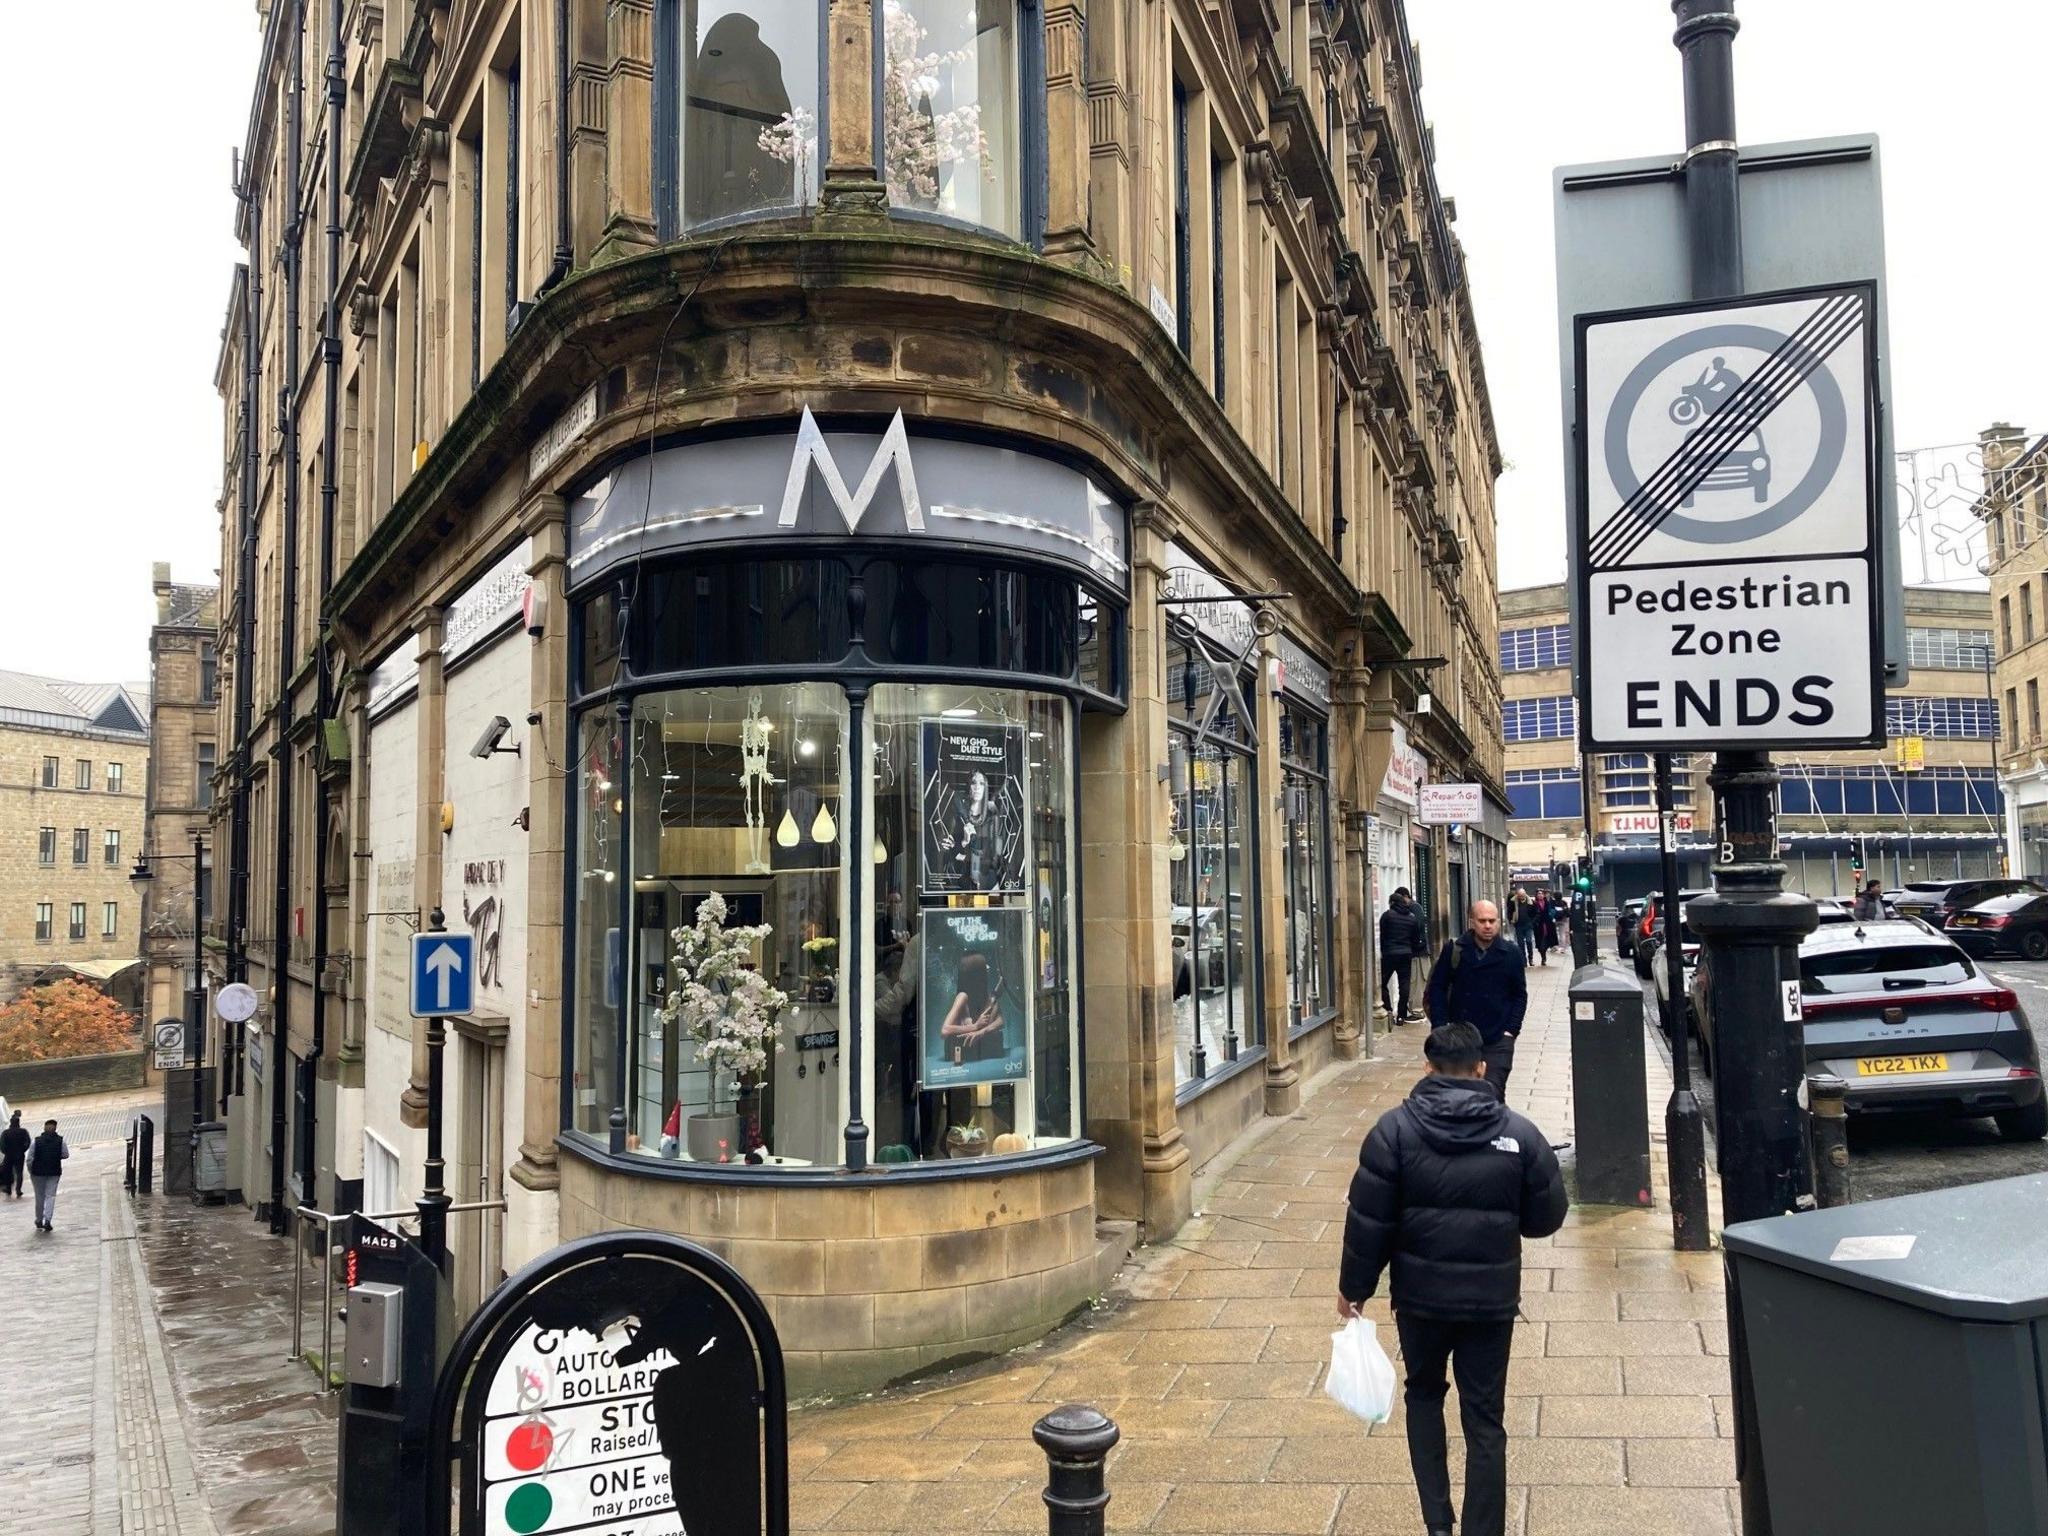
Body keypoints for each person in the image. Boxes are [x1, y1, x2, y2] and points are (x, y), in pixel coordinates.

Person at [1337, 1022, 1569, 1536]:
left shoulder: (1392, 1132)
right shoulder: (1520, 1133)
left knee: (1423, 1395)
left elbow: (1369, 1220)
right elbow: (1545, 1218)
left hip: (1420, 1302)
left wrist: (1354, 1291)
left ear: (1428, 1068)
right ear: (1481, 1069)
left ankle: (1438, 1523)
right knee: (1485, 1417)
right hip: (1490, 1304)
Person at [1424, 901, 1528, 1101]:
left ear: (1498, 922)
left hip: (1496, 1039)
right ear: (1472, 922)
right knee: (1457, 1095)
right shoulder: (1454, 950)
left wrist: (1511, 1031)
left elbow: (1520, 995)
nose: (1487, 926)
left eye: (1492, 921)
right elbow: (1437, 988)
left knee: (1492, 1094)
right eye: (1482, 921)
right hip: (1459, 1038)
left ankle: (1491, 1131)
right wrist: (1439, 1026)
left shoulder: (1511, 953)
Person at [1379, 887, 1425, 1022]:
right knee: (1404, 985)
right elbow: (1416, 939)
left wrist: (1383, 950)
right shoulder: (1411, 918)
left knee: (1381, 983)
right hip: (1406, 954)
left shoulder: (1387, 916)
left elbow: (1382, 935)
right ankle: (1401, 1015)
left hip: (1389, 954)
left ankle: (1388, 1011)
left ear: (1392, 903)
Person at [28, 1118, 68, 1232]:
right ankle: (48, 1221)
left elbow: (30, 1158)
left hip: (38, 1173)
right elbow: (65, 1155)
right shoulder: (61, 1141)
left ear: (44, 1128)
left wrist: (31, 1171)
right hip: (54, 1172)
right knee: (50, 1196)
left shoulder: (36, 1141)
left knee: (39, 1197)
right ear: (55, 1128)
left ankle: (39, 1220)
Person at [0, 1111, 27, 1199]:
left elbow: (2, 1145)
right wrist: (22, 1150)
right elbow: (27, 1142)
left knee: (8, 1172)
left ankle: (8, 1189)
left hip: (9, 1155)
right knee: (19, 1173)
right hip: (19, 1155)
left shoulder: (6, 1133)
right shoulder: (23, 1132)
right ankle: (18, 1189)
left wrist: (6, 1152)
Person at [1509, 888, 1536, 964]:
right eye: (1520, 896)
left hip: (1528, 925)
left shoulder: (1530, 902)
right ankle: (1523, 960)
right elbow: (1510, 911)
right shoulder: (1513, 902)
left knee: (1529, 941)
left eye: (1522, 895)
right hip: (1518, 925)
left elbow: (1535, 913)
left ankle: (1530, 958)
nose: (1521, 897)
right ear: (1517, 895)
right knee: (1520, 943)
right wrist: (1512, 920)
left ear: (1525, 894)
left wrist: (1532, 922)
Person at [1532, 894, 1559, 968]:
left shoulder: (1548, 903)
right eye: (1538, 894)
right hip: (1539, 925)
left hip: (1548, 924)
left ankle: (1544, 955)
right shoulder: (1534, 904)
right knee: (1540, 944)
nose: (1540, 895)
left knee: (1546, 941)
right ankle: (1543, 955)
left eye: (1541, 894)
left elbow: (1553, 911)